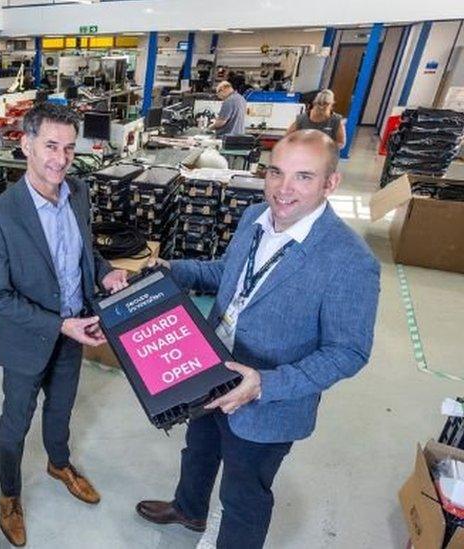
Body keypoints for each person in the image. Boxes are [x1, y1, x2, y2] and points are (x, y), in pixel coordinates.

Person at [135, 130, 380, 549]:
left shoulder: (351, 261)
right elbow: (227, 275)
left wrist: (265, 384)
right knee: (199, 449)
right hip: (212, 367)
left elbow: (348, 352)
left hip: (267, 399)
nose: (284, 189)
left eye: (303, 177)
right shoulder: (254, 218)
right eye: (276, 173)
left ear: (330, 183)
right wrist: (172, 268)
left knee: (243, 494)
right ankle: (189, 509)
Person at [0, 103, 129, 547]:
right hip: (28, 342)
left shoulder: (77, 191)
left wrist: (104, 272)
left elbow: (84, 254)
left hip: (75, 332)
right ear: (24, 145)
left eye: (67, 148)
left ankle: (58, 462)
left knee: (61, 411)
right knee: (15, 423)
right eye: (49, 146)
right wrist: (61, 325)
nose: (60, 159)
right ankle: (10, 495)